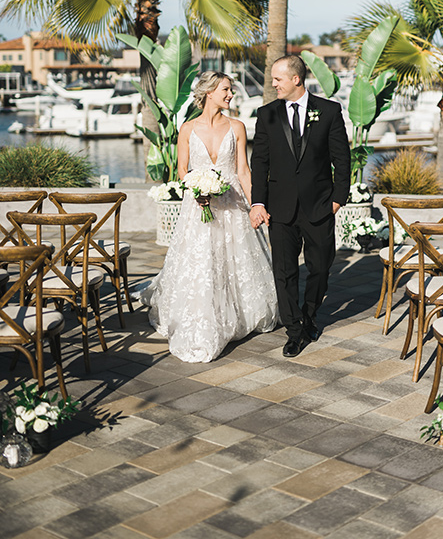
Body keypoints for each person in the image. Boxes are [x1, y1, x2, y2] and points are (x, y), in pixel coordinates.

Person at [137, 70, 279, 363]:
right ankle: (205, 319)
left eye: (230, 90)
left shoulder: (237, 127)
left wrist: (256, 205)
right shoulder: (187, 129)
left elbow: (243, 172)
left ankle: (239, 315)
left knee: (234, 260)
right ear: (209, 92)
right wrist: (197, 187)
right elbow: (181, 170)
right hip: (199, 205)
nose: (230, 95)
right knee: (202, 262)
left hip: (233, 204)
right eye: (226, 89)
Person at [250, 55, 350, 358]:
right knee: (284, 272)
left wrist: (337, 199)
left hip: (320, 206)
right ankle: (294, 330)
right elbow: (260, 161)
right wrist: (258, 201)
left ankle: (310, 315)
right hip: (279, 209)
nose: (273, 84)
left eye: (278, 79)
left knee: (320, 269)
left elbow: (341, 159)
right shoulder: (266, 113)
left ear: (296, 79)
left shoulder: (329, 111)